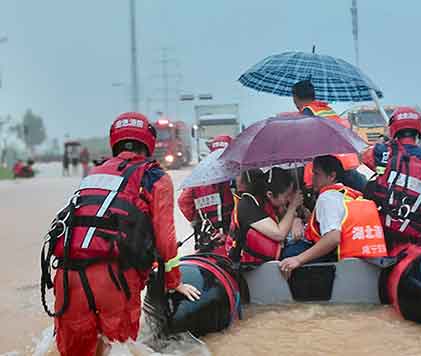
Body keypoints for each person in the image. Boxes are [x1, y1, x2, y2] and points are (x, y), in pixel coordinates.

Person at [43, 112, 200, 356]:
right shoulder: (155, 177)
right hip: (114, 280)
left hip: (67, 276)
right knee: (119, 349)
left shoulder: (93, 175)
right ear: (148, 141)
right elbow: (166, 237)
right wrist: (173, 282)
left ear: (114, 141)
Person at [361, 107, 421, 248]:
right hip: (415, 235)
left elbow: (363, 162)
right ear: (419, 130)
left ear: (393, 128)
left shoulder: (379, 152)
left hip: (380, 231)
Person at [279, 155, 387, 277]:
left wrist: (297, 260)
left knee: (289, 252)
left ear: (332, 176)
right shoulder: (347, 193)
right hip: (361, 258)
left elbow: (333, 238)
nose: (312, 179)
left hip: (334, 259)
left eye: (316, 174)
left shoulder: (327, 197)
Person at [291, 79, 367, 193]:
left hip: (331, 166)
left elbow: (304, 144)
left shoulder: (307, 112)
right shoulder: (326, 109)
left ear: (295, 98)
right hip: (348, 162)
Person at [227, 168, 303, 266]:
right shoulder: (247, 205)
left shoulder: (269, 201)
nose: (288, 199)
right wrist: (293, 206)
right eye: (286, 196)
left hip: (272, 260)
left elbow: (286, 219)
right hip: (249, 266)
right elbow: (279, 234)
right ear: (270, 194)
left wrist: (296, 220)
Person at [178, 135, 235, 251]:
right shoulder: (235, 176)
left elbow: (183, 201)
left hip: (208, 240)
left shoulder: (199, 177)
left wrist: (198, 220)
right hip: (232, 241)